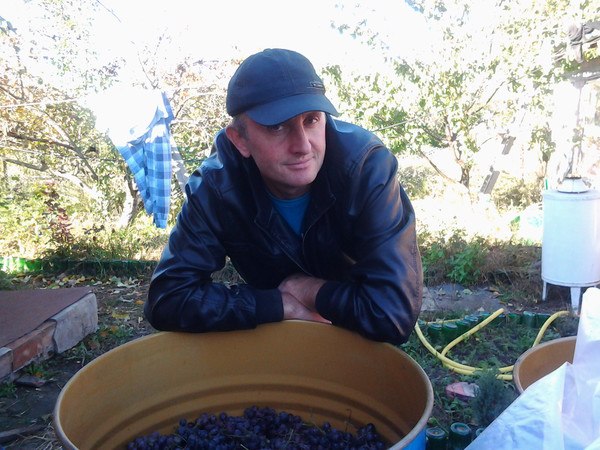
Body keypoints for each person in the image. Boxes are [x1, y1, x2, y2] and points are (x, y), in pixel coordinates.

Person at [145, 48, 422, 345]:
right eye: (277, 126)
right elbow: (167, 298)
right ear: (240, 139)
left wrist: (309, 290)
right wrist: (278, 304)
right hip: (274, 332)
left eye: (312, 120)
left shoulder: (366, 167)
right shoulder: (216, 187)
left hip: (355, 331)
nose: (303, 146)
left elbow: (393, 314)